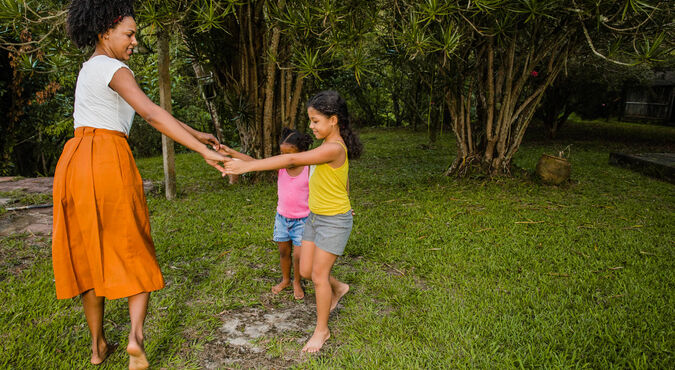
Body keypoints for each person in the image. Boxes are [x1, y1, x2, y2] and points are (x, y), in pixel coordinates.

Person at [52, 1, 228, 369]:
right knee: (132, 244)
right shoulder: (114, 67)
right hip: (106, 157)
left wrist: (198, 134)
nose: (134, 41)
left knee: (86, 251)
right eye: (129, 34)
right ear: (105, 32)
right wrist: (200, 151)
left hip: (74, 161)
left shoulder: (90, 68)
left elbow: (147, 111)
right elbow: (151, 113)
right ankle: (135, 338)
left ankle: (98, 347)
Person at [224, 90, 363, 353]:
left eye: (315, 120)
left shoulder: (333, 148)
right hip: (314, 217)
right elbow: (342, 178)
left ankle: (322, 330)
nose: (311, 126)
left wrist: (246, 168)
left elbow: (291, 159)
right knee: (306, 271)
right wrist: (347, 198)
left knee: (319, 276)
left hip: (333, 221)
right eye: (310, 120)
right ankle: (340, 287)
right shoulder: (326, 146)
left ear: (333, 120)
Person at [219, 128, 314, 300]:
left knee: (298, 256)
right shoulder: (281, 167)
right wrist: (231, 151)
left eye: (289, 154)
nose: (284, 158)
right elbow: (253, 162)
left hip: (303, 220)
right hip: (282, 218)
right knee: (284, 252)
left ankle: (297, 282)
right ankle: (286, 279)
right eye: (282, 154)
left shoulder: (310, 169)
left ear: (302, 153)